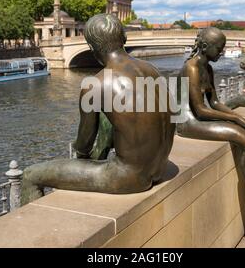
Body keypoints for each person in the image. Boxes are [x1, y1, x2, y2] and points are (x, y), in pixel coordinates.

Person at [21, 14, 176, 205]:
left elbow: (84, 144)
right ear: (124, 39)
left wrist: (82, 157)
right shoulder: (152, 70)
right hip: (159, 168)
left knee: (30, 176)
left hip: (127, 177)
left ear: (92, 48)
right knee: (108, 118)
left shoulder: (95, 84)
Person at [176, 27, 245, 218]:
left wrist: (236, 116)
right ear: (204, 46)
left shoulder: (208, 68)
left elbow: (215, 103)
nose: (221, 52)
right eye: (218, 48)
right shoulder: (192, 68)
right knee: (244, 139)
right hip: (187, 122)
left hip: (198, 117)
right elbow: (200, 110)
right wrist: (234, 117)